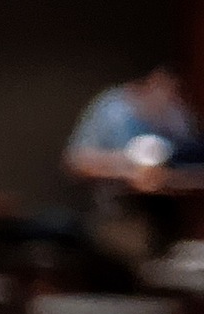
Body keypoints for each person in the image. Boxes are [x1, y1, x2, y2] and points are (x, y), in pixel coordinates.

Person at [63, 66, 201, 267]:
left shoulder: (175, 112)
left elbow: (190, 158)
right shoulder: (112, 109)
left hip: (172, 219)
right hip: (120, 218)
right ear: (147, 84)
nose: (169, 96)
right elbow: (75, 162)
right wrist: (127, 170)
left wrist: (170, 176)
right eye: (163, 87)